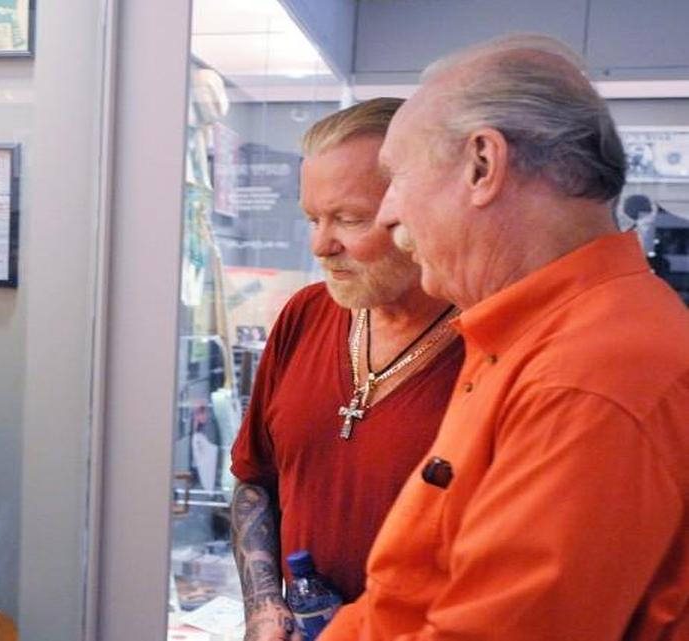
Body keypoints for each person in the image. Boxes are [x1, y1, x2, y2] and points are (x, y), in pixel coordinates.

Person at [321, 34, 689, 641]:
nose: (387, 214)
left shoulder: (591, 375)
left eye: (397, 176)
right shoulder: (534, 336)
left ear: (483, 166)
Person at [230, 98, 465, 641]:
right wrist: (265, 608)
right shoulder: (305, 314)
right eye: (313, 218)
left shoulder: (490, 344)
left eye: (350, 219)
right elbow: (254, 478)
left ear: (420, 209)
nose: (321, 245)